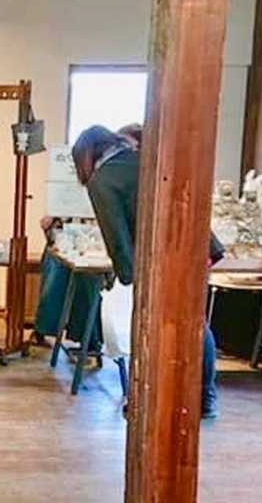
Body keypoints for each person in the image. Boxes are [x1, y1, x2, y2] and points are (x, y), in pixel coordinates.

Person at [72, 124, 219, 419]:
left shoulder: (102, 180)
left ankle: (153, 398)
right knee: (194, 323)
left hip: (164, 261)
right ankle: (202, 397)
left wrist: (127, 277)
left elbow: (117, 238)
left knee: (154, 326)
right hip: (197, 249)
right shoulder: (146, 159)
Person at [31, 216, 102, 352]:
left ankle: (90, 338)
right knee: (54, 280)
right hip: (64, 232)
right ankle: (42, 329)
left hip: (91, 233)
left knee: (87, 285)